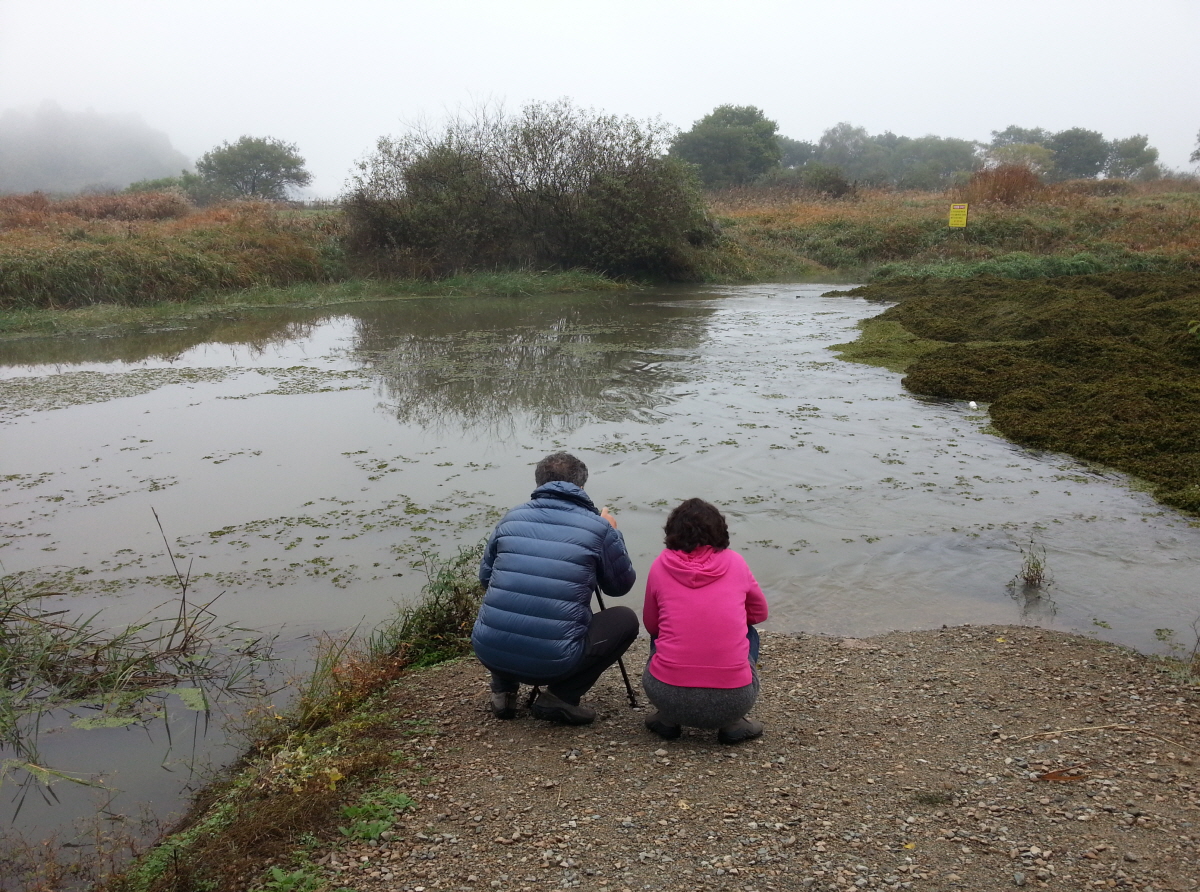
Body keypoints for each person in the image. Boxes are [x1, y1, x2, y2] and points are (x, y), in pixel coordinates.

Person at [472, 452, 638, 725]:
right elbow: (620, 587)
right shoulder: (598, 528)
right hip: (554, 663)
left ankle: (503, 693)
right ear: (581, 487)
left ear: (538, 484)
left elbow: (485, 579)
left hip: (488, 651)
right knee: (626, 619)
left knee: (509, 603)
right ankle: (560, 697)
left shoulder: (511, 518)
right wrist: (612, 532)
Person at [641, 498, 768, 744]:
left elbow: (651, 625)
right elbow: (759, 613)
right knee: (749, 631)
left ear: (672, 532)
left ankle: (668, 719)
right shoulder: (735, 562)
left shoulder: (660, 565)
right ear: (719, 531)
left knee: (662, 634)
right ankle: (732, 723)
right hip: (734, 700)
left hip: (665, 694)